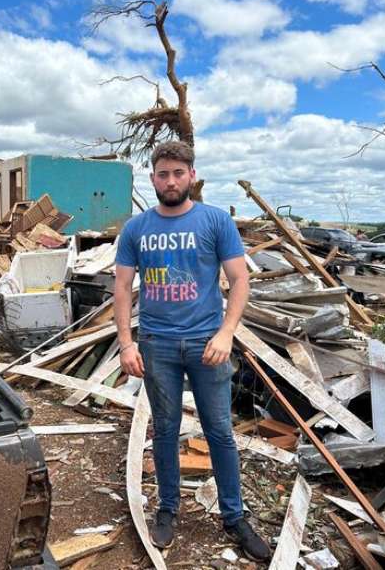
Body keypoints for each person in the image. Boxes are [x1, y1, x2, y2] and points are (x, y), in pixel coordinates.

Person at [113, 141, 270, 561]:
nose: (170, 181)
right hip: (156, 345)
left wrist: (226, 332)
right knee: (164, 431)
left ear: (192, 176)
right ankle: (168, 510)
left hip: (207, 345)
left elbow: (239, 281)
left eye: (178, 173)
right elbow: (123, 288)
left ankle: (234, 517)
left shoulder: (215, 221)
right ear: (153, 180)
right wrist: (126, 342)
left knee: (219, 432)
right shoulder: (137, 229)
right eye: (163, 174)